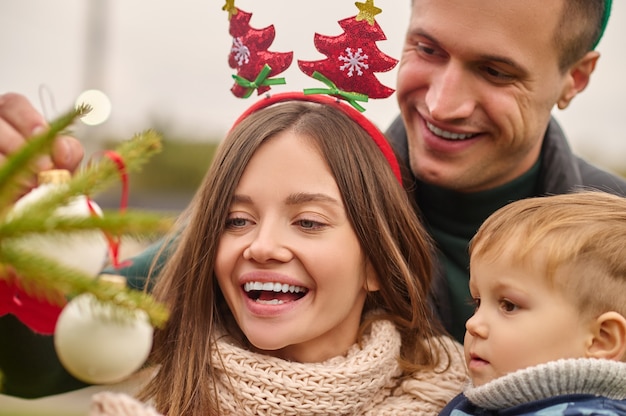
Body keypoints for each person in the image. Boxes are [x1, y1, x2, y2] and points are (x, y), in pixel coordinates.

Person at [1, 0, 626, 398]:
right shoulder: (283, 206)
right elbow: (42, 361)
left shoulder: (617, 239)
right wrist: (16, 238)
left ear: (575, 77)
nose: (441, 103)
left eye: (495, 72)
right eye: (427, 49)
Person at [88, 92, 467, 415]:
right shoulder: (161, 400)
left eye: (308, 222)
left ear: (377, 263)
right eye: (236, 220)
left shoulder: (453, 400)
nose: (263, 246)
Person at [438, 190, 626, 416]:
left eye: (509, 305)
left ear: (601, 339)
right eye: (477, 302)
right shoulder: (477, 402)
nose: (473, 324)